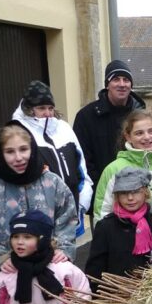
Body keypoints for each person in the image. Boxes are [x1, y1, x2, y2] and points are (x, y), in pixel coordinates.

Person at [0, 121, 77, 284]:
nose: (18, 158)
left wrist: (64, 248)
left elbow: (67, 217)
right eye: (10, 151)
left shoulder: (51, 182)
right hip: (9, 275)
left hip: (51, 269)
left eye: (23, 149)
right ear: (0, 154)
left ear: (33, 149)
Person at [12, 80, 93, 236]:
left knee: (66, 258)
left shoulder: (63, 128)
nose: (48, 113)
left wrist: (82, 202)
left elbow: (81, 168)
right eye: (41, 108)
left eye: (50, 108)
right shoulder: (20, 131)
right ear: (29, 109)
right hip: (39, 219)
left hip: (71, 213)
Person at [73, 59, 145, 212]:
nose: (121, 84)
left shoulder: (141, 116)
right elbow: (82, 161)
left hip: (138, 197)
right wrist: (103, 187)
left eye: (126, 80)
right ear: (107, 84)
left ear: (131, 85)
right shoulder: (86, 117)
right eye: (116, 79)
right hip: (102, 195)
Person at [85, 167, 152, 292]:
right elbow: (95, 270)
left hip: (150, 294)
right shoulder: (105, 227)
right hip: (115, 297)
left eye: (136, 191)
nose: (130, 198)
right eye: (124, 193)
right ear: (117, 196)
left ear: (145, 192)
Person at [93, 110, 152, 221]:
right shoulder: (114, 169)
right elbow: (103, 211)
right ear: (128, 136)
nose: (146, 137)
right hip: (127, 235)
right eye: (139, 133)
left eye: (151, 131)